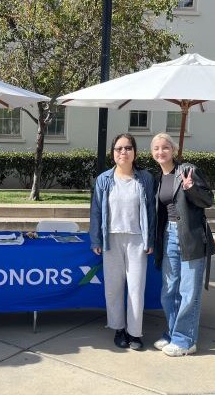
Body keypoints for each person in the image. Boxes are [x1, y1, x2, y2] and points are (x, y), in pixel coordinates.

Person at [151, 132, 215, 357]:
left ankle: (185, 340)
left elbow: (208, 200)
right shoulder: (159, 177)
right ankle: (172, 332)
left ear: (174, 150)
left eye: (165, 147)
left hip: (190, 236)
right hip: (168, 236)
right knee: (169, 290)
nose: (161, 152)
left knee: (189, 291)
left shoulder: (187, 170)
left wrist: (191, 189)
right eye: (156, 148)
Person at [90, 133, 155, 350]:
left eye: (128, 148)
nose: (123, 152)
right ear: (113, 153)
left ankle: (134, 333)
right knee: (113, 288)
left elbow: (151, 211)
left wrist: (151, 238)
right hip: (111, 239)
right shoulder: (104, 179)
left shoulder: (145, 178)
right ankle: (118, 328)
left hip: (137, 239)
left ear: (135, 152)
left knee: (136, 288)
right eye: (118, 148)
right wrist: (95, 239)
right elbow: (96, 211)